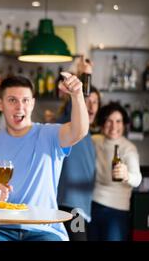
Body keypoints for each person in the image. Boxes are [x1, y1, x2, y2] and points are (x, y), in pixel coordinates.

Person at [0, 73, 89, 241]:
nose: (20, 107)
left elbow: (79, 131)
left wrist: (77, 95)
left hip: (44, 228)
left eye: (25, 100)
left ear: (33, 103)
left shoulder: (50, 134)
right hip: (1, 229)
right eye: (12, 100)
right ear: (0, 104)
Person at [57, 58, 101, 241]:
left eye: (95, 102)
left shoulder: (90, 135)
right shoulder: (71, 122)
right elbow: (75, 103)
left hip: (81, 207)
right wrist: (87, 74)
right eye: (86, 101)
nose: (90, 107)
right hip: (69, 205)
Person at [88, 103, 142, 241]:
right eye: (109, 121)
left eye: (118, 121)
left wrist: (126, 175)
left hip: (117, 211)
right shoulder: (95, 141)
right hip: (92, 206)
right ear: (102, 122)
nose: (114, 126)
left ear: (124, 124)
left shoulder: (128, 149)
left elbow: (137, 179)